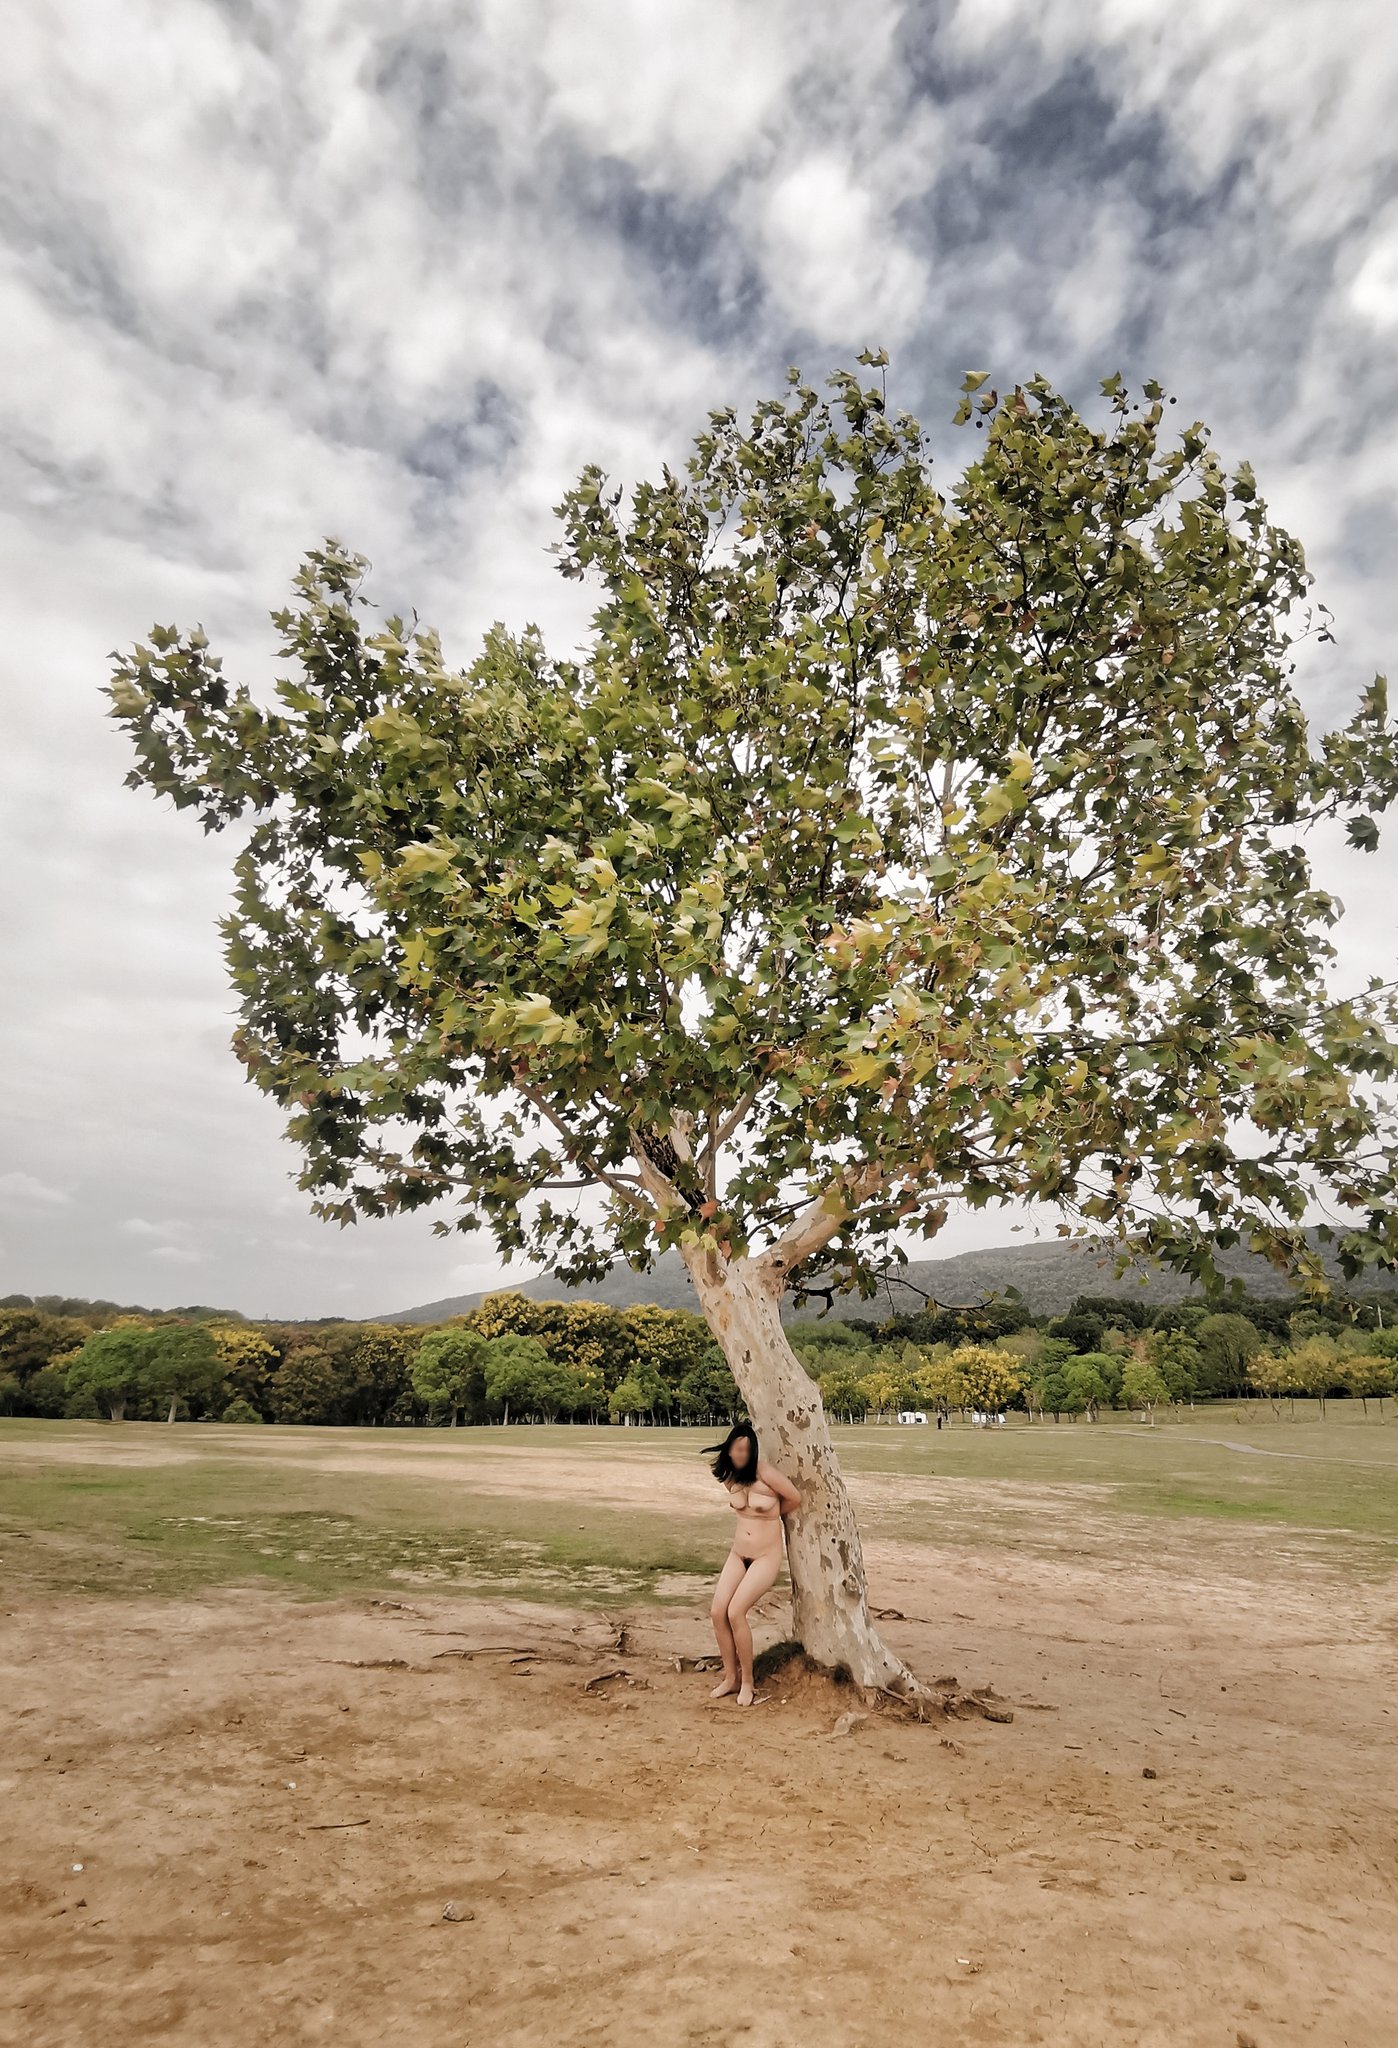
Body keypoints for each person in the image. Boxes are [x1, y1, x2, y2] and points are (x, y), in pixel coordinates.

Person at [702, 1421, 801, 1707]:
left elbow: (795, 1497)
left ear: (752, 1449)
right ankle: (730, 1677)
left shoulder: (765, 1472)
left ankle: (748, 1682)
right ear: (730, 1448)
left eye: (745, 1448)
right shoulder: (728, 1475)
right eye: (736, 1448)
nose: (740, 1453)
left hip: (765, 1557)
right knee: (717, 1611)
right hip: (738, 1554)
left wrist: (769, 1517)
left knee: (736, 1612)